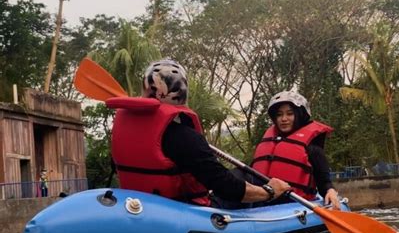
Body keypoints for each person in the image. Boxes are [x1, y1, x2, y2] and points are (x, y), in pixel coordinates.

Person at [105, 59, 290, 207]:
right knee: (248, 181)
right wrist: (269, 191)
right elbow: (226, 187)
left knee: (242, 175)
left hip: (140, 206)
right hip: (182, 209)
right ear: (182, 91)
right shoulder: (185, 137)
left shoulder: (124, 130)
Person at [251, 90, 341, 209]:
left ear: (299, 115)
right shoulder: (266, 143)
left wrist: (330, 191)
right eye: (279, 114)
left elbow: (324, 182)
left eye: (289, 114)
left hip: (295, 206)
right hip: (261, 204)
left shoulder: (312, 149)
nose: (284, 119)